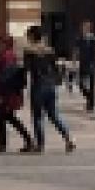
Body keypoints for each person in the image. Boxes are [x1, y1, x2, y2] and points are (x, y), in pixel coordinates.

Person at [23, 25, 74, 153]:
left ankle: (40, 145)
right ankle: (68, 138)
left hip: (38, 85)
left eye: (28, 35)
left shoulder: (29, 51)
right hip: (50, 85)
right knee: (54, 115)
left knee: (38, 116)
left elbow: (26, 70)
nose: (27, 38)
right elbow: (56, 68)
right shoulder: (49, 50)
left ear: (33, 36)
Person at [0, 34, 34, 153]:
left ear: (5, 44)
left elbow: (5, 77)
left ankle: (26, 140)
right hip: (4, 93)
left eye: (0, 43)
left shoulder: (6, 57)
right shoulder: (7, 56)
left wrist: (0, 95)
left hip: (5, 93)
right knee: (5, 117)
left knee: (7, 117)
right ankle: (5, 142)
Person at [73, 20, 95, 113]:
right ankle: (89, 96)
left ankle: (91, 104)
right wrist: (74, 61)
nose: (84, 29)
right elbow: (76, 50)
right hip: (83, 63)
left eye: (86, 27)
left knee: (92, 84)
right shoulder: (79, 38)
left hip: (92, 63)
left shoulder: (93, 39)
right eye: (83, 27)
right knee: (80, 83)